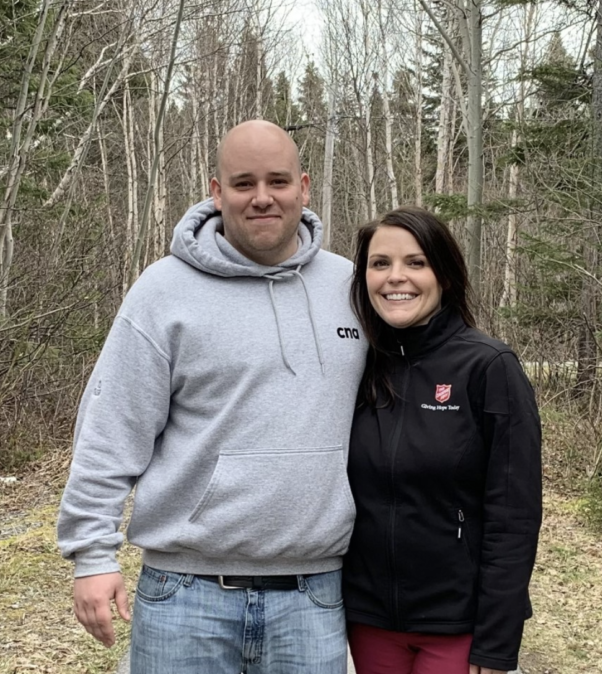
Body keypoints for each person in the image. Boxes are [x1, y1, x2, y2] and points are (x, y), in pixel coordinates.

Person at [57, 120, 367, 674]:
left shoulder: (351, 288)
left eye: (278, 181)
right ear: (216, 191)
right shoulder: (163, 291)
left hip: (314, 595)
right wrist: (91, 555)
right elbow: (110, 428)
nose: (263, 197)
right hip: (185, 595)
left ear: (305, 186)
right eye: (243, 183)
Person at [342, 206, 542, 674]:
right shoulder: (355, 366)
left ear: (445, 275)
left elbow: (514, 516)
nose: (396, 278)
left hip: (458, 624)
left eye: (416, 263)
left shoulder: (489, 367)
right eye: (380, 264)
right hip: (368, 619)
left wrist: (496, 643)